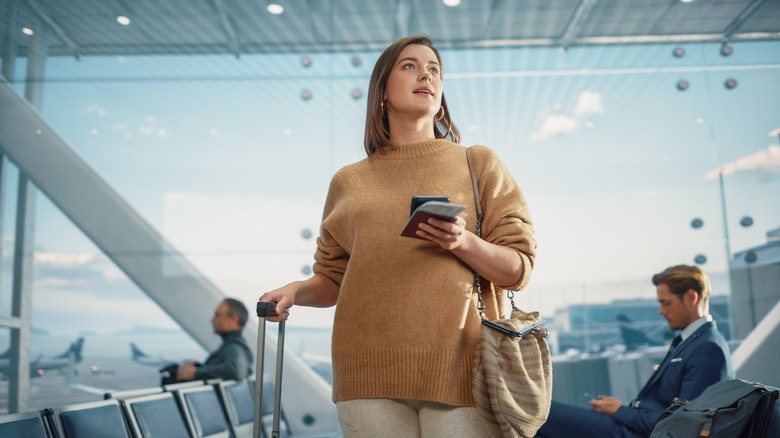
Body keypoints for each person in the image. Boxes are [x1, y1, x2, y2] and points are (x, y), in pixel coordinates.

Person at [259, 34, 536, 437]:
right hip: (366, 373)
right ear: (382, 92)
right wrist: (296, 292)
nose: (426, 74)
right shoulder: (349, 181)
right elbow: (333, 279)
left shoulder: (478, 163)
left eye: (434, 69)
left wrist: (461, 241)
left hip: (462, 369)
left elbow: (518, 269)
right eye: (410, 65)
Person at [536, 264, 734, 438]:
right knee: (536, 420)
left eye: (666, 303)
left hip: (636, 432)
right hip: (632, 426)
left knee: (538, 415)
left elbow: (682, 426)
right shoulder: (693, 342)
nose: (661, 311)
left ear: (691, 297)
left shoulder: (708, 348)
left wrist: (619, 411)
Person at [173, 298, 253, 382]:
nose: (212, 320)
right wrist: (199, 367)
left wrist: (195, 372)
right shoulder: (235, 346)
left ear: (233, 319)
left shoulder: (234, 346)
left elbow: (237, 370)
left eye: (217, 315)